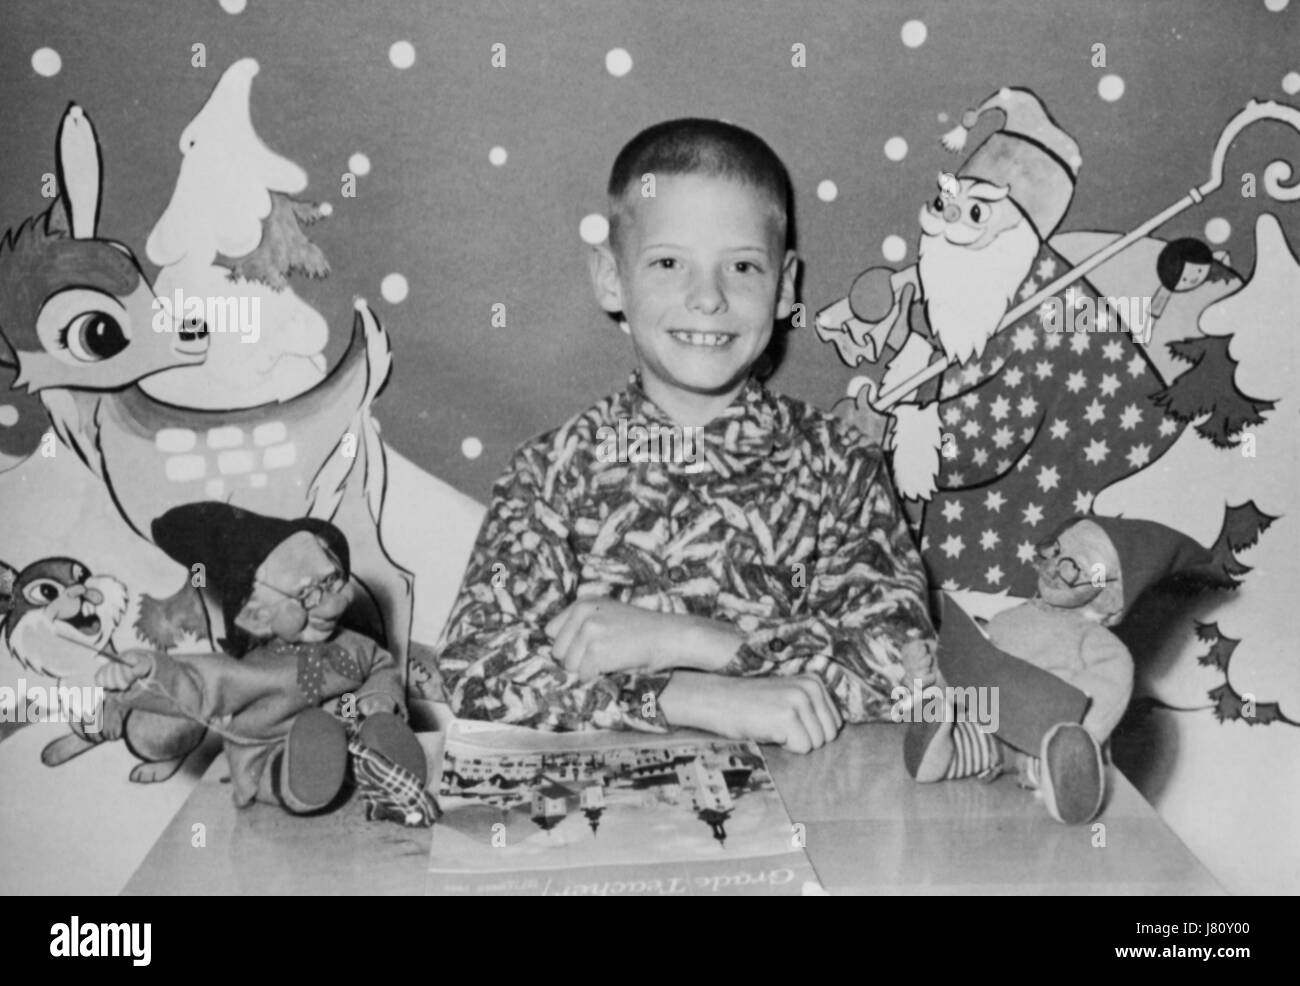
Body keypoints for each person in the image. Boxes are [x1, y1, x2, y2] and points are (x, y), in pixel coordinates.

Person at [431, 118, 937, 754]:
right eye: (669, 263)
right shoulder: (554, 471)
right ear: (611, 278)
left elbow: (906, 670)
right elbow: (473, 669)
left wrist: (688, 641)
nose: (708, 298)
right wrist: (680, 697)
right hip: (609, 835)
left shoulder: (841, 468)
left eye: (743, 267)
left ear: (784, 288)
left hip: (811, 822)